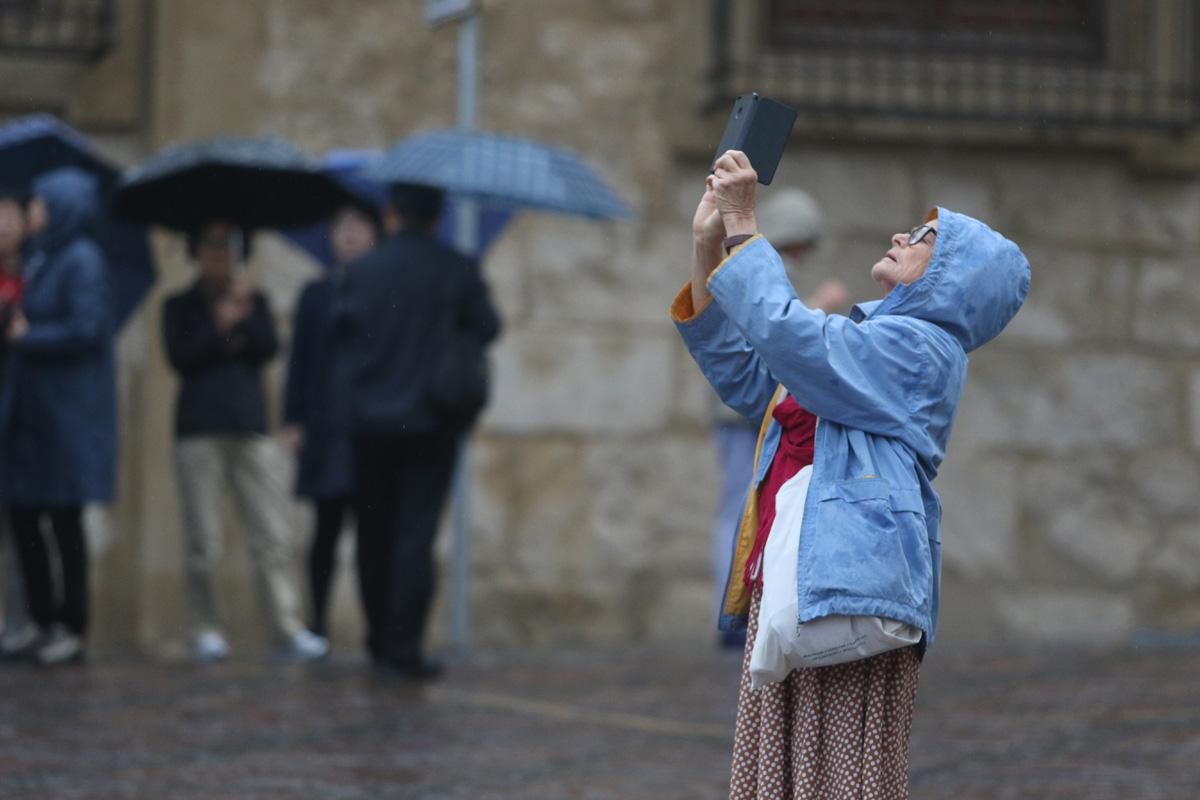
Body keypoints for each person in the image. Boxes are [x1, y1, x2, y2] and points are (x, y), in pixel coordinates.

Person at [672, 150, 1029, 798]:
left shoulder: (922, 350)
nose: (901, 235)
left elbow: (787, 335)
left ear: (953, 279)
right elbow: (748, 376)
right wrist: (706, 246)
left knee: (832, 779)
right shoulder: (871, 339)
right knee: (790, 774)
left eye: (924, 239)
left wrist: (746, 224)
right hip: (804, 583)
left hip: (845, 592)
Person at [337, 184, 501, 678]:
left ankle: (376, 640)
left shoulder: (362, 269)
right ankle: (402, 645)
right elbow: (489, 327)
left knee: (372, 531)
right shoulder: (455, 268)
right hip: (431, 418)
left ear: (391, 214)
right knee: (415, 533)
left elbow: (339, 331)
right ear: (436, 218)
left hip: (370, 420)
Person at [163, 220, 327, 663]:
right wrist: (220, 326)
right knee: (205, 541)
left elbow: (267, 348)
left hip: (249, 425)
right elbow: (182, 357)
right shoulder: (179, 306)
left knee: (272, 534)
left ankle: (287, 625)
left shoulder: (255, 300)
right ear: (196, 251)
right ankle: (206, 626)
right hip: (198, 429)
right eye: (210, 245)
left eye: (227, 245)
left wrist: (241, 316)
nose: (218, 254)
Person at [708, 188, 848, 649]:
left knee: (740, 510)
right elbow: (777, 335)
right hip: (750, 413)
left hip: (739, 412)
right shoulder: (769, 269)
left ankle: (736, 612)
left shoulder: (754, 264)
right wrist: (822, 304)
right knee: (743, 511)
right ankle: (736, 614)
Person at [2, 168, 118, 666]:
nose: (33, 213)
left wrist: (30, 335)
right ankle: (39, 618)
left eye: (41, 205)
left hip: (66, 414)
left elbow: (87, 328)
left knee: (64, 520)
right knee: (26, 515)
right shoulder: (42, 259)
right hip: (34, 412)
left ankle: (72, 624)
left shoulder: (82, 260)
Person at [283, 205, 379, 640]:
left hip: (368, 428)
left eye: (359, 227)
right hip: (326, 426)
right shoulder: (316, 292)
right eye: (341, 226)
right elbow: (299, 361)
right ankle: (316, 622)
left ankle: (375, 626)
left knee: (372, 538)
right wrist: (294, 418)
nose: (350, 235)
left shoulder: (384, 291)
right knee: (324, 532)